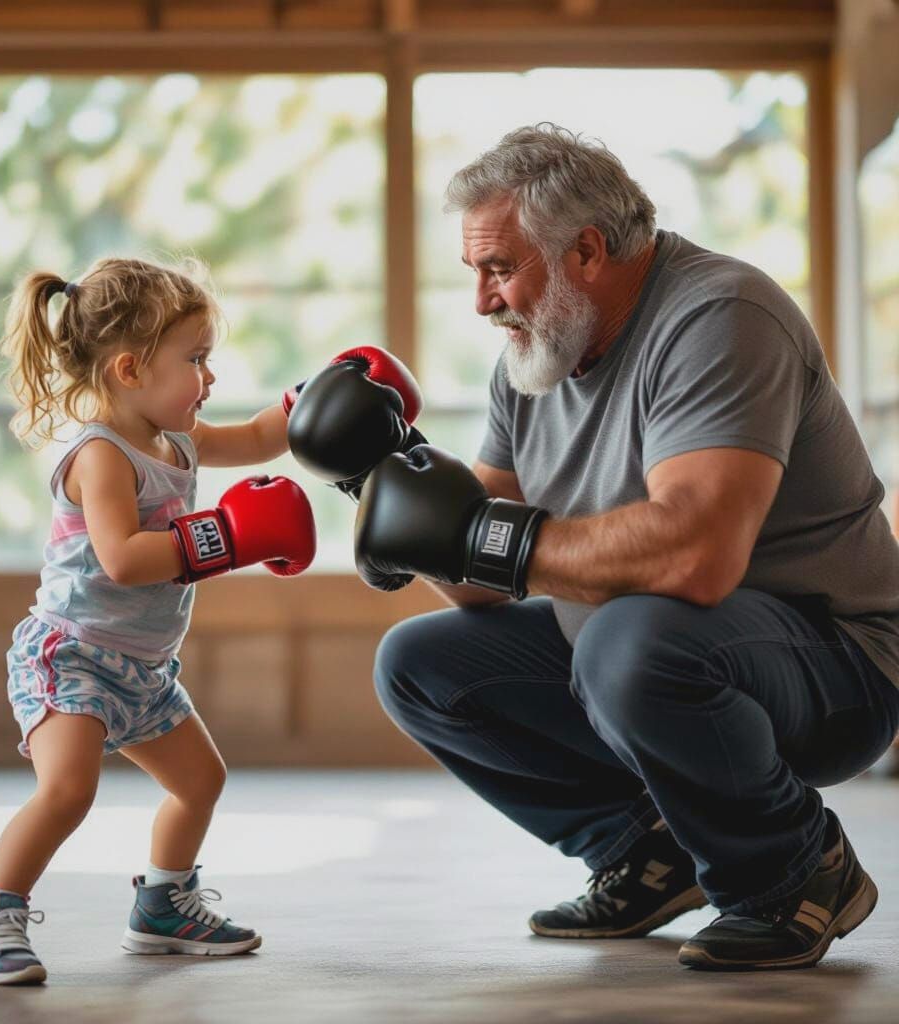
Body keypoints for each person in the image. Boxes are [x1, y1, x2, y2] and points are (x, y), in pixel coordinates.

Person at [352, 124, 899, 971]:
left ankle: (795, 872)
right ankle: (650, 851)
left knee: (629, 642)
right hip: (657, 643)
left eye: (500, 269)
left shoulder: (719, 316)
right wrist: (385, 491)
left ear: (587, 253)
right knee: (421, 662)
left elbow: (696, 556)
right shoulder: (530, 364)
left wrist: (471, 531)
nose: (483, 302)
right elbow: (488, 582)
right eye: (475, 274)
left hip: (836, 662)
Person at [0, 256, 320, 985]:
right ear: (128, 370)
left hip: (143, 669)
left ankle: (162, 907)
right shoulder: (99, 454)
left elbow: (257, 437)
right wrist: (229, 538)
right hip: (71, 655)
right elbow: (121, 558)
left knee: (199, 782)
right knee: (67, 791)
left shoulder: (177, 437)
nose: (208, 379)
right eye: (196, 359)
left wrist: (319, 399)